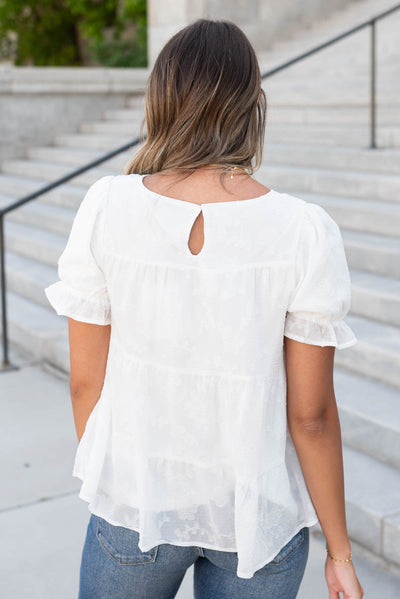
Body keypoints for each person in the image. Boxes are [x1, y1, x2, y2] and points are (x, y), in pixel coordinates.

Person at [44, 18, 364, 599]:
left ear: (162, 99)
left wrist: (116, 483)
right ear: (252, 106)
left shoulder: (105, 206)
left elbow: (85, 384)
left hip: (140, 500)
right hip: (256, 514)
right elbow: (310, 415)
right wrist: (339, 553)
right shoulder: (303, 230)